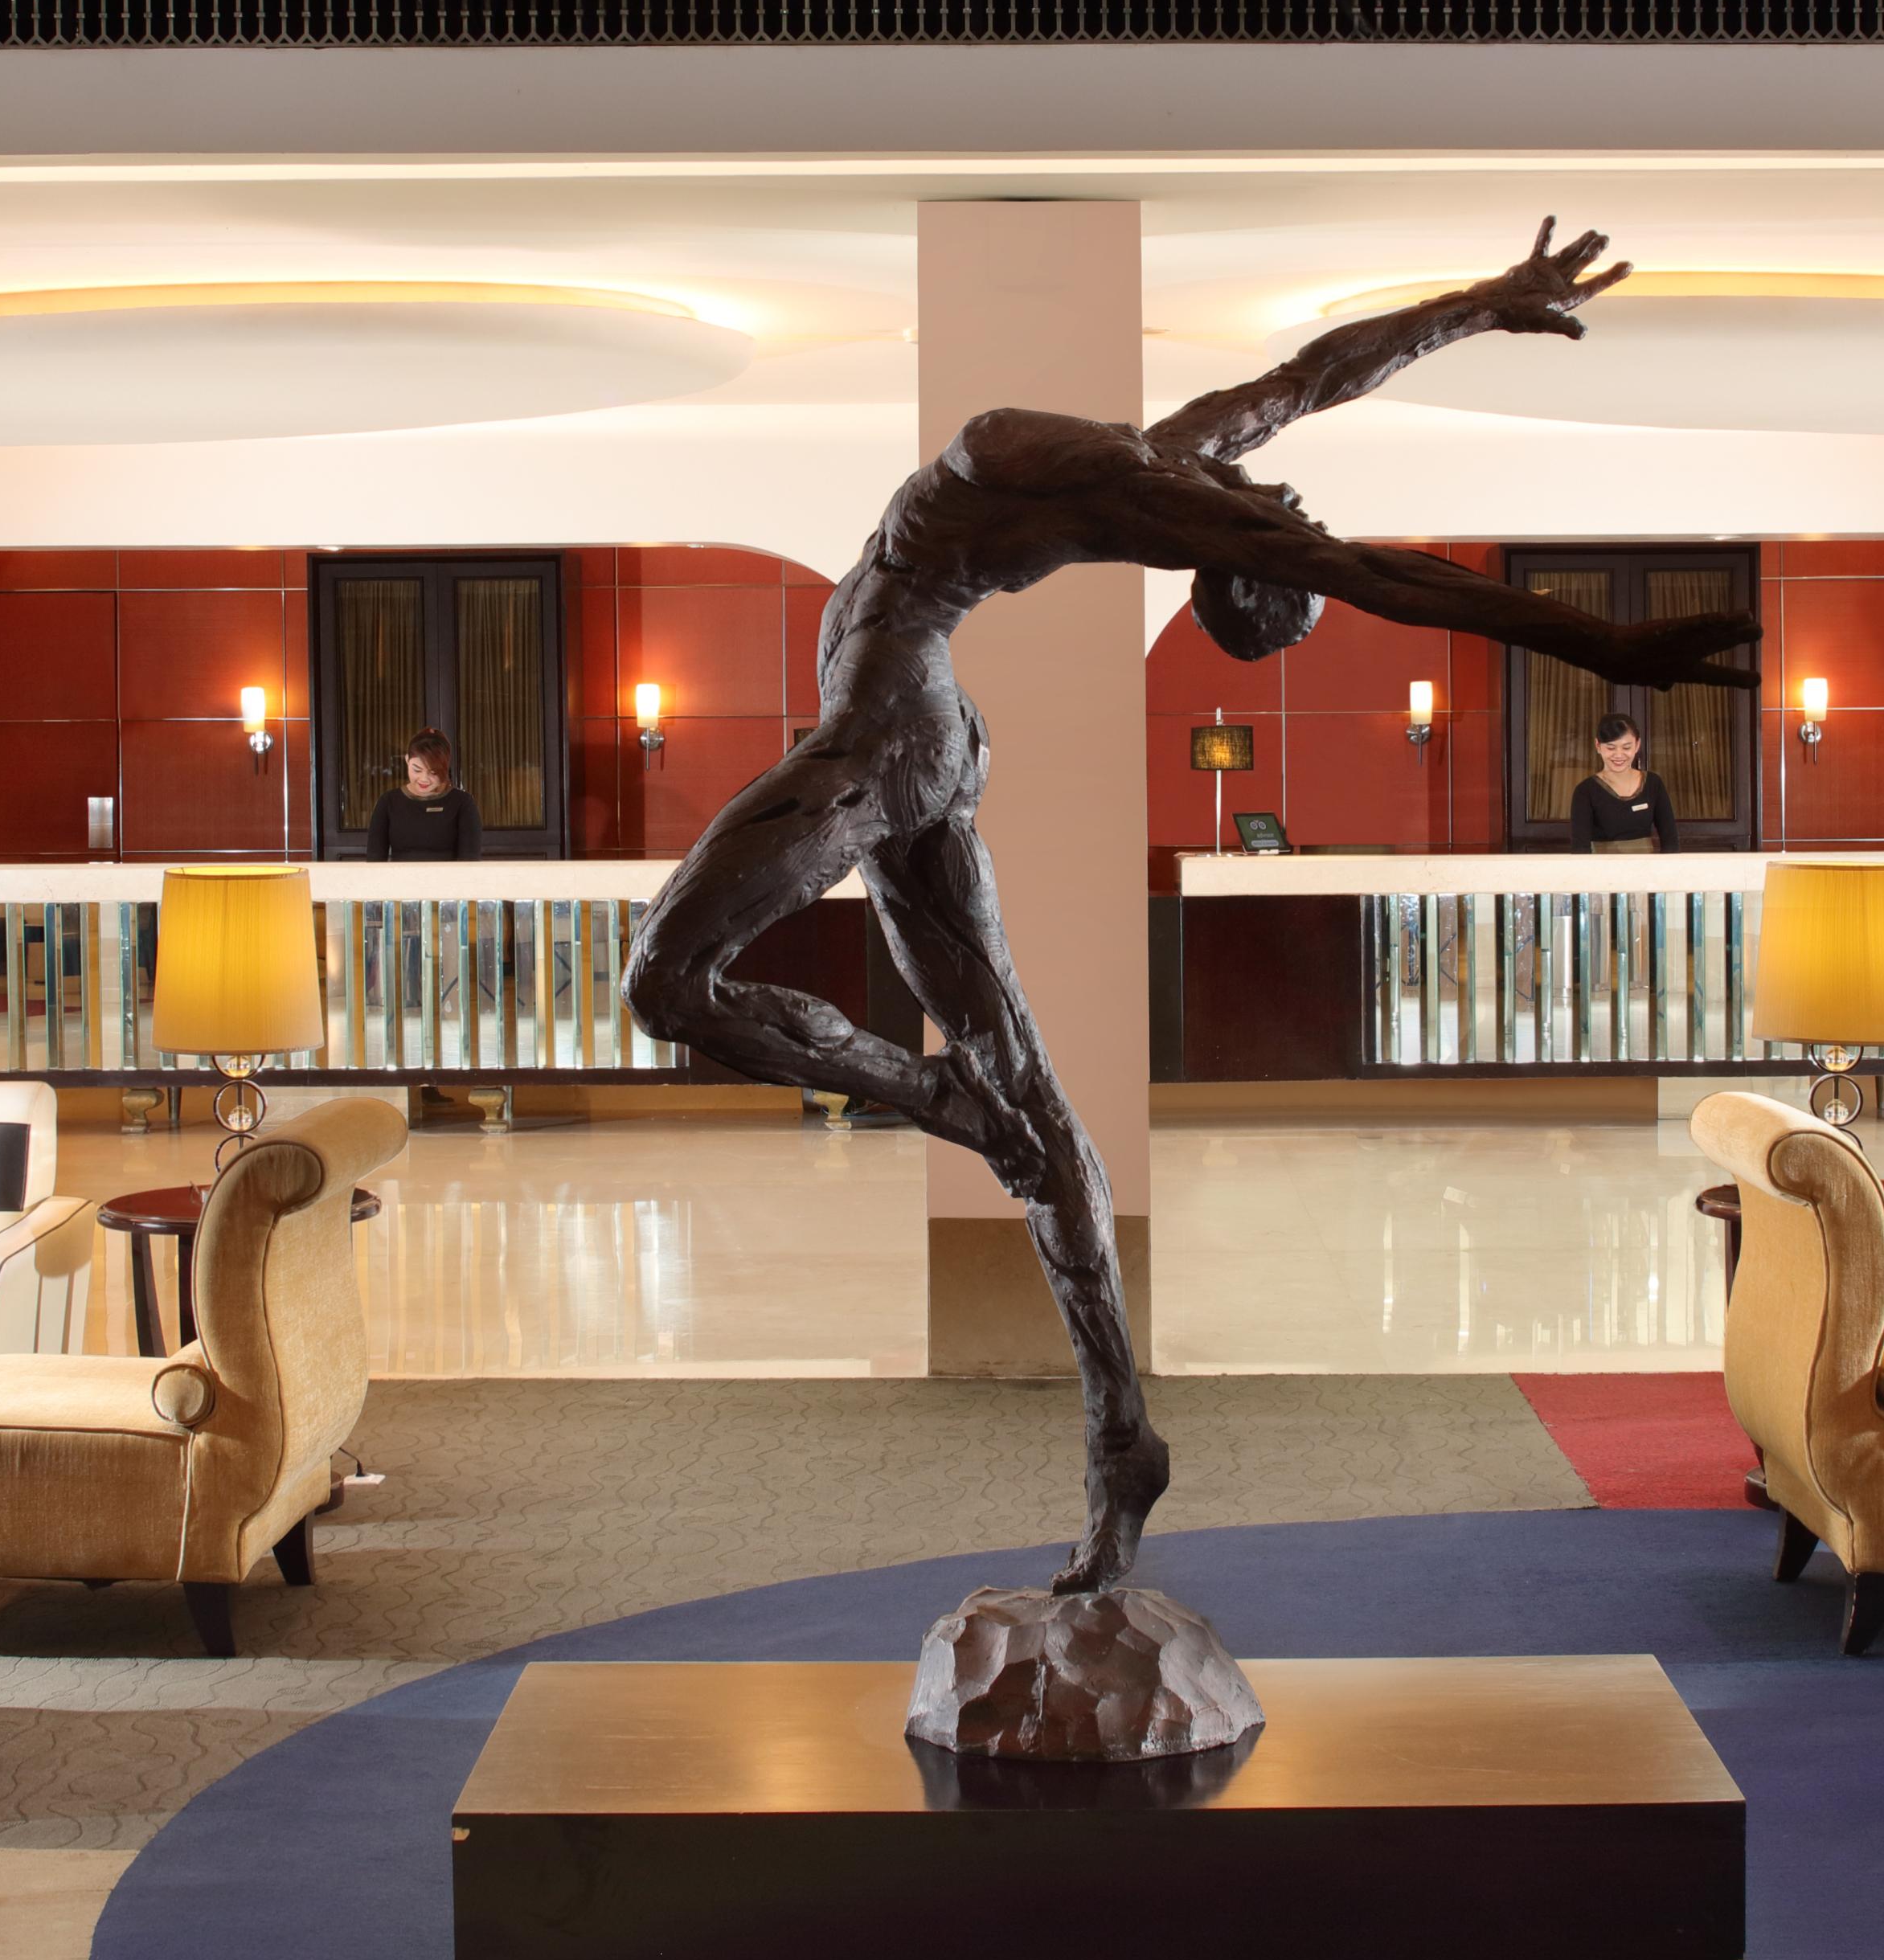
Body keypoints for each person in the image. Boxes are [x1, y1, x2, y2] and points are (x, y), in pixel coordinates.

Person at [624, 222, 1753, 1596]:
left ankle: (940, 1105)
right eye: (1278, 528)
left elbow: (1373, 551)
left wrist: (1609, 641)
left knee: (668, 984)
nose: (1287, 509)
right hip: (917, 728)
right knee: (1029, 1114)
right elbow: (1319, 376)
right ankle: (1122, 1440)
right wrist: (1484, 304)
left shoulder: (1155, 485)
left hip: (893, 733)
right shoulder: (1159, 464)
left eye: (1274, 533)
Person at [1569, 711, 1675, 850]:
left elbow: (1670, 839)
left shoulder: (1653, 783)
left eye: (1626, 747)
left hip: (1646, 863)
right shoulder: (1585, 791)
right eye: (1611, 748)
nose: (1619, 755)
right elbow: (1580, 848)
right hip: (1602, 864)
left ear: (1637, 745)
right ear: (1598, 746)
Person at [365, 730, 477, 859]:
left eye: (433, 772)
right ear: (407, 760)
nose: (424, 779)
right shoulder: (388, 802)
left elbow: (470, 860)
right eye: (417, 770)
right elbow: (374, 859)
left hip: (448, 873)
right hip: (401, 873)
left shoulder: (462, 802)